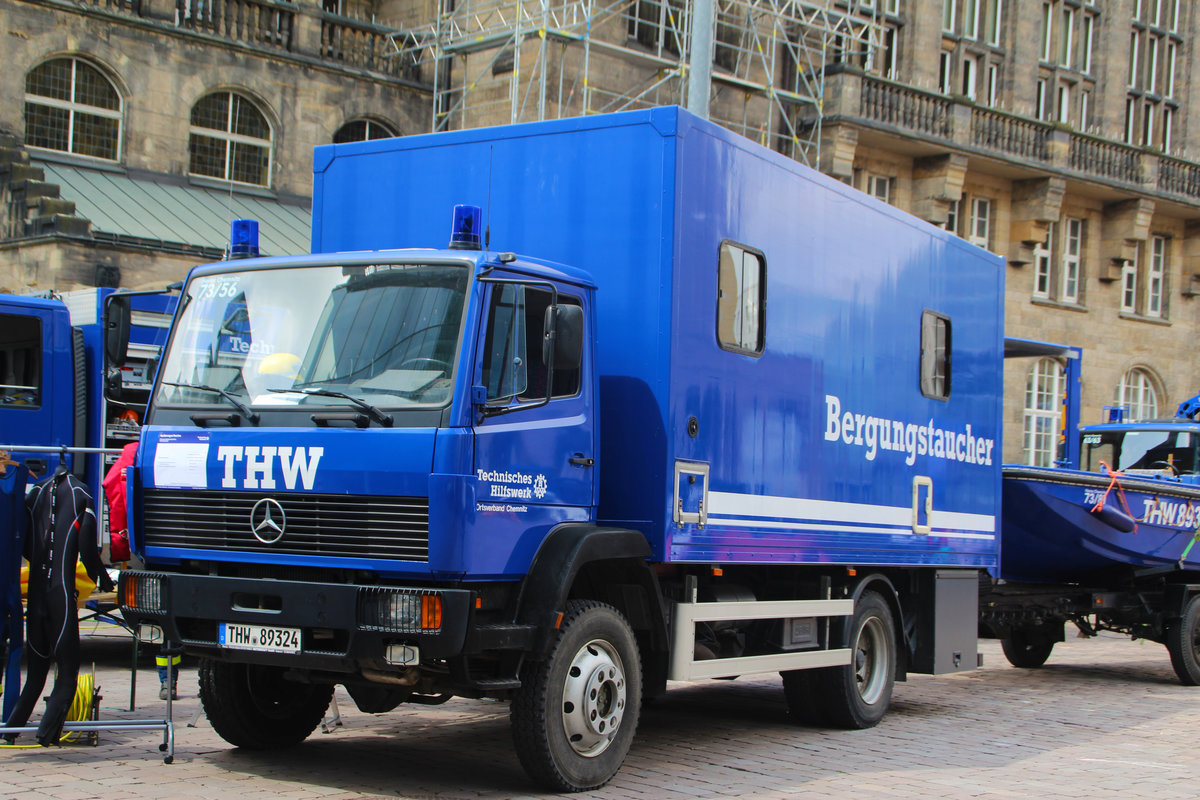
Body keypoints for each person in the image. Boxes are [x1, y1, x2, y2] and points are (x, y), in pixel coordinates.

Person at [4, 468, 113, 745]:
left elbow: (23, 541)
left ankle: (10, 733)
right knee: (67, 673)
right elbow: (86, 545)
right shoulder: (81, 493)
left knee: (35, 675)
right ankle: (46, 736)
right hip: (61, 595)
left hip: (36, 595)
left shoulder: (35, 493)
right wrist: (100, 578)